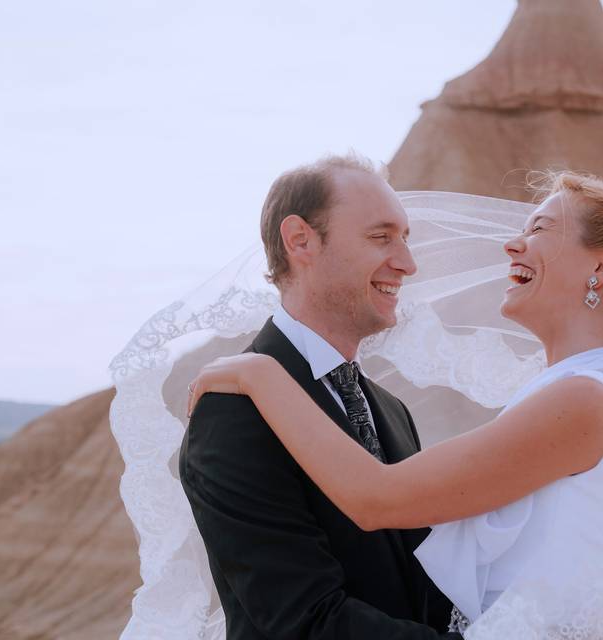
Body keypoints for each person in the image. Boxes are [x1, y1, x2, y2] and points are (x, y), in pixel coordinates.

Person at [187, 171, 603, 639]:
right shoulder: (578, 393)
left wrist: (260, 374)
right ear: (300, 242)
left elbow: (376, 499)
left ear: (602, 264)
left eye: (541, 229)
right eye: (382, 237)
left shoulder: (584, 398)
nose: (512, 244)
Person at [177, 154, 461, 639]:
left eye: (405, 239)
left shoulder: (392, 411)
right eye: (381, 237)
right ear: (300, 240)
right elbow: (304, 620)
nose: (407, 264)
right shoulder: (233, 411)